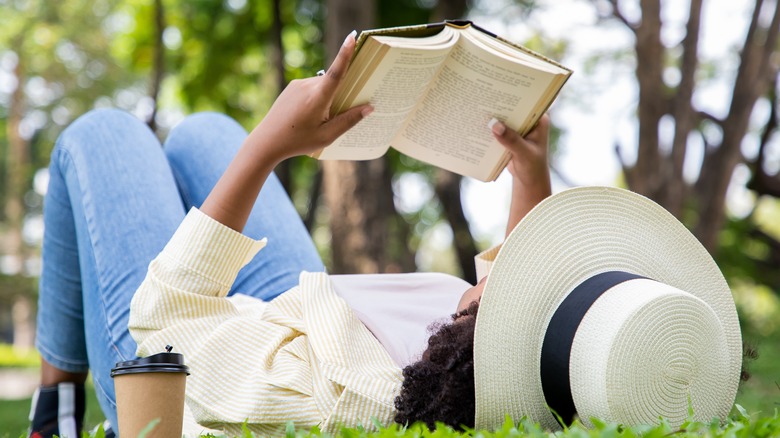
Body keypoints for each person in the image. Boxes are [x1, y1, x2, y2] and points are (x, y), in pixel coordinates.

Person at [28, 30, 552, 437]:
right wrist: (530, 174)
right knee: (206, 131)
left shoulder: (345, 401)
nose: (542, 277)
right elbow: (511, 276)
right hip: (307, 324)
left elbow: (166, 318)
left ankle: (56, 408)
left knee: (103, 134)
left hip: (182, 378)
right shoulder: (493, 352)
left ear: (498, 334)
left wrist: (268, 148)